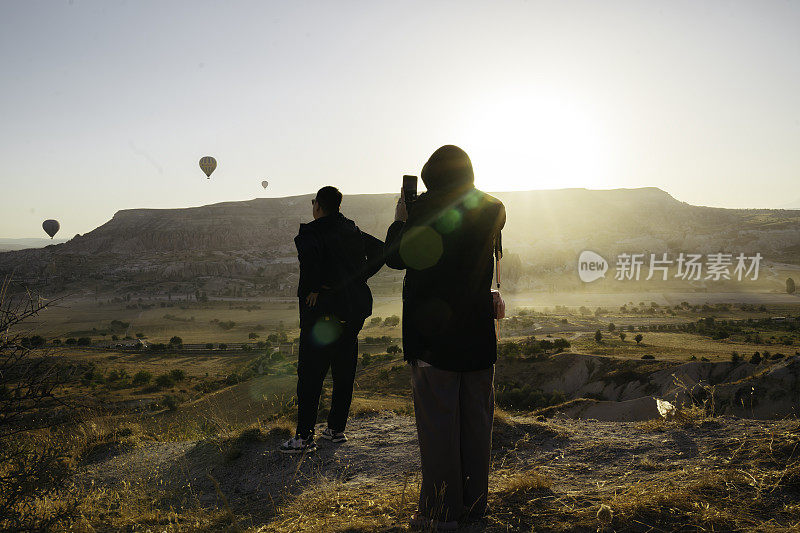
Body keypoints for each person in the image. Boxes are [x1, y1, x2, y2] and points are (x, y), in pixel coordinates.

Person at [384, 146, 506, 529]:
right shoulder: (494, 208)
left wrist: (400, 218)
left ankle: (440, 513)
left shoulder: (422, 209)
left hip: (433, 338)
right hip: (477, 335)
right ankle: (474, 507)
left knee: (439, 426)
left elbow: (395, 257)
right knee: (476, 424)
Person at [280, 186, 384, 454]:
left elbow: (310, 262)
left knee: (311, 374)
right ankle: (336, 429)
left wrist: (317, 286)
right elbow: (381, 251)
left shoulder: (312, 233)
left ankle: (303, 437)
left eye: (314, 202)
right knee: (343, 370)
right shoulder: (351, 229)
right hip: (352, 310)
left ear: (319, 206)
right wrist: (355, 280)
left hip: (322, 312)